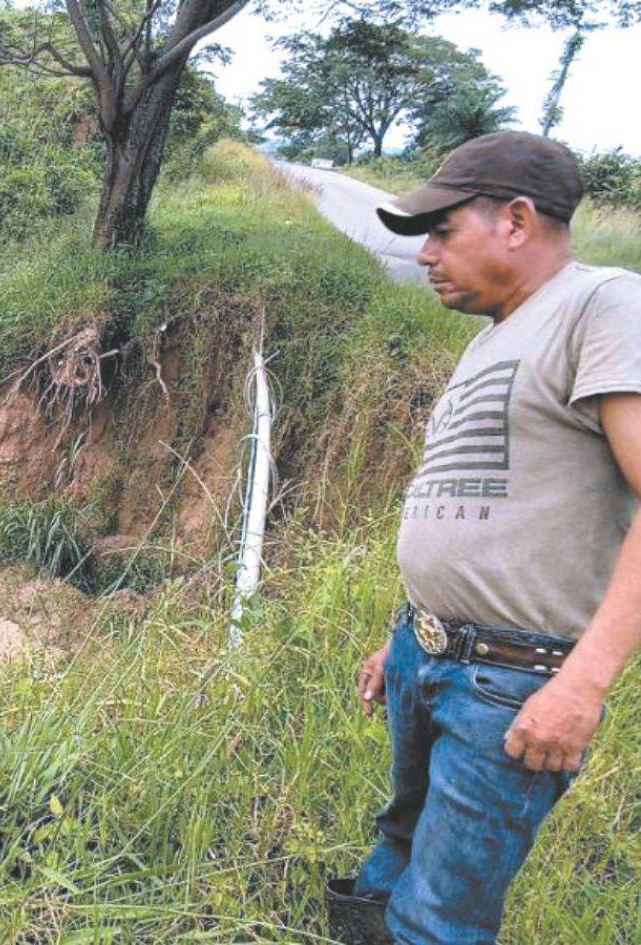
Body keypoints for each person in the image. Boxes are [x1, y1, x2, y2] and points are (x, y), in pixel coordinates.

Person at [325, 130, 641, 945]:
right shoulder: (491, 336)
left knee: (440, 916)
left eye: (443, 231)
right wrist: (404, 635)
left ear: (517, 220)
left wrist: (581, 685)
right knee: (396, 842)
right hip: (427, 655)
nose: (427, 255)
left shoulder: (603, 304)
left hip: (510, 679)